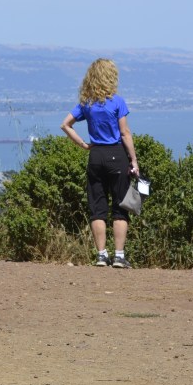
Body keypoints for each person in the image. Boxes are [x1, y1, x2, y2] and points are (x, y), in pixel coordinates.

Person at [60, 58, 139, 269]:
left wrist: (85, 145)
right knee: (121, 206)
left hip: (95, 156)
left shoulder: (86, 103)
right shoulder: (117, 102)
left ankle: (102, 255)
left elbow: (65, 124)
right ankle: (120, 256)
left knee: (98, 207)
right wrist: (134, 159)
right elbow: (125, 133)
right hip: (116, 155)